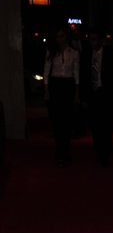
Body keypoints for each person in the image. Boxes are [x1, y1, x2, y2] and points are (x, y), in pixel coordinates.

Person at [80, 29, 113, 165]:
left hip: (106, 94)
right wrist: (84, 97)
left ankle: (105, 153)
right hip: (93, 95)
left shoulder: (111, 55)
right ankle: (99, 151)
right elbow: (83, 77)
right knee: (95, 125)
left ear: (101, 40)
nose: (92, 42)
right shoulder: (86, 54)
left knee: (106, 126)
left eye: (95, 39)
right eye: (91, 39)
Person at [43, 27, 80, 165]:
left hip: (68, 85)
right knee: (57, 121)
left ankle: (66, 151)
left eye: (62, 36)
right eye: (58, 36)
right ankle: (59, 151)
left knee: (67, 121)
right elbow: (46, 71)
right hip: (56, 85)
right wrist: (46, 90)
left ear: (66, 37)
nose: (60, 39)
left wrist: (76, 93)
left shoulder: (74, 53)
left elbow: (76, 73)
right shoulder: (51, 51)